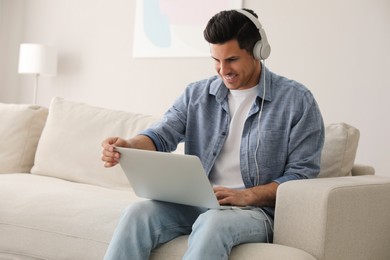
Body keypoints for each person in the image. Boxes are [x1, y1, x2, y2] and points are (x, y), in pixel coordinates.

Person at [101, 8, 324, 260]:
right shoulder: (197, 94)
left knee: (212, 224)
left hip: (256, 210)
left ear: (258, 51)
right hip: (199, 202)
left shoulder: (297, 100)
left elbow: (301, 176)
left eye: (231, 60)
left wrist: (247, 195)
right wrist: (128, 145)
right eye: (216, 60)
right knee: (137, 214)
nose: (222, 70)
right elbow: (162, 135)